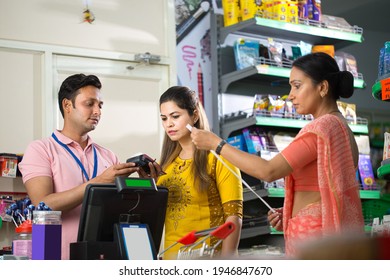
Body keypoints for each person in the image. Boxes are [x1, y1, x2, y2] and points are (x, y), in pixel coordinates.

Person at [189, 52, 365, 258]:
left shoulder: (322, 128)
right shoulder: (343, 129)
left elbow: (268, 170)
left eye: (297, 86)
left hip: (312, 237)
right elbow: (322, 191)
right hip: (326, 236)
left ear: (323, 87)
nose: (290, 95)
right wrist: (290, 212)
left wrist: (216, 144)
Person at [18, 74, 162, 260]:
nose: (97, 111)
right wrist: (98, 182)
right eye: (89, 104)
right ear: (67, 105)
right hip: (55, 259)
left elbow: (120, 211)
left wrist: (145, 186)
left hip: (102, 258)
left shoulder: (108, 156)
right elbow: (42, 205)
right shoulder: (41, 149)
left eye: (100, 105)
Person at [157, 86, 243, 259]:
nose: (169, 124)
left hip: (209, 257)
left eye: (175, 116)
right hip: (171, 258)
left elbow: (233, 218)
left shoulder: (219, 158)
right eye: (164, 118)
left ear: (194, 115)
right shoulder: (164, 165)